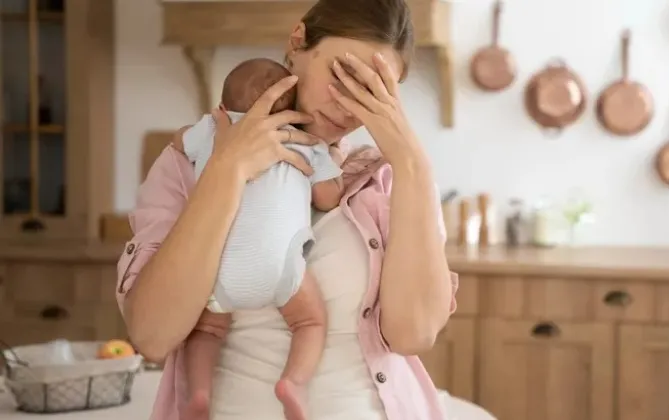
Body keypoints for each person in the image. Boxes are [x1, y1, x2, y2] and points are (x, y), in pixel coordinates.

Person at [116, 0, 466, 418]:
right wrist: (226, 172)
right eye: (342, 74)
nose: (346, 105)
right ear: (298, 41)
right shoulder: (189, 163)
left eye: (372, 91)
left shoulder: (385, 181)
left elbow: (414, 332)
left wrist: (411, 161)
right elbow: (153, 335)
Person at [179, 57, 346, 420]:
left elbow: (180, 146)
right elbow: (328, 198)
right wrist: (333, 159)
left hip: (217, 262)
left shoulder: (213, 129)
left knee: (205, 329)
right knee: (309, 322)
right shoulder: (305, 141)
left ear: (224, 107)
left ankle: (198, 394)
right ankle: (293, 383)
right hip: (280, 265)